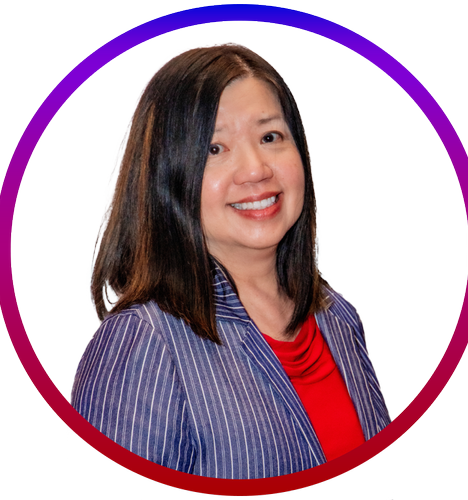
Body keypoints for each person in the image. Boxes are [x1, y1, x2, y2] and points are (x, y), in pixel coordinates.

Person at [69, 42, 392, 480]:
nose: (256, 169)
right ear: (165, 176)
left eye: (270, 137)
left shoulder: (338, 316)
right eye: (214, 148)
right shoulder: (142, 343)